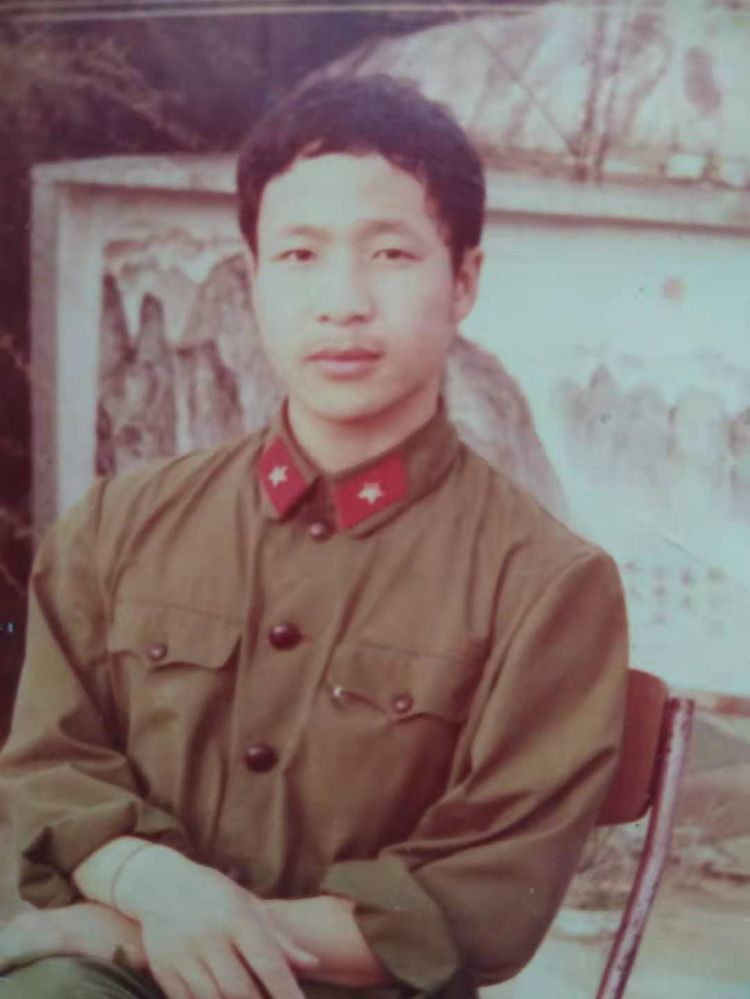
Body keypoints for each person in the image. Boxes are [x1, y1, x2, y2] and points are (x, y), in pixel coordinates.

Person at [0, 74, 628, 999]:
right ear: (254, 279)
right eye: (299, 254)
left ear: (464, 281)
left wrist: (125, 931)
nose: (343, 301)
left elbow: (472, 906)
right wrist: (155, 892)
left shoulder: (546, 585)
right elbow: (52, 767)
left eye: (390, 254)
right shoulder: (116, 527)